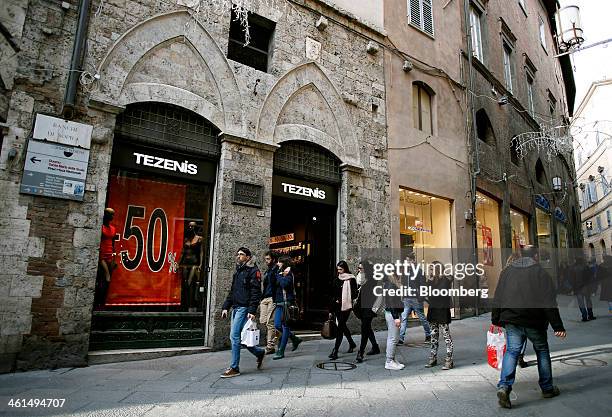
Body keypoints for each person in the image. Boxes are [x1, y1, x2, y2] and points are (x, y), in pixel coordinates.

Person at [492, 245, 566, 409]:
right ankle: (547, 388)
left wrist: (496, 319)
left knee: (512, 351)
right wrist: (557, 326)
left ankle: (504, 386)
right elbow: (549, 302)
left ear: (519, 255)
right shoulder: (541, 273)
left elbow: (498, 296)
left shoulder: (507, 272)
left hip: (512, 319)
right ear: (536, 256)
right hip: (534, 321)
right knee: (542, 350)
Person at [220, 247, 265, 378]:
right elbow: (232, 291)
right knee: (242, 338)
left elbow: (256, 292)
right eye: (238, 254)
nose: (238, 256)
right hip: (236, 307)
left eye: (241, 254)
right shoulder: (238, 271)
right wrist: (225, 307)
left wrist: (252, 310)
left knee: (234, 337)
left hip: (244, 308)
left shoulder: (253, 271)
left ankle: (234, 368)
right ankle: (259, 353)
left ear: (248, 257)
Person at [424, 261, 454, 370]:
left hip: (442, 310)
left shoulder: (445, 280)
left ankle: (449, 359)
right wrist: (429, 283)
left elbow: (439, 293)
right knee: (433, 336)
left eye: (432, 269)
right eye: (430, 269)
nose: (430, 271)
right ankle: (433, 357)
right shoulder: (431, 281)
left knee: (446, 336)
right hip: (433, 310)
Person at [271, 256, 302, 360]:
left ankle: (281, 351)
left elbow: (284, 284)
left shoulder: (289, 274)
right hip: (279, 303)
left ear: (284, 263)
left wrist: (280, 276)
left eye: (279, 262)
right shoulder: (279, 272)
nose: (277, 264)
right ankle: (294, 338)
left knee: (285, 327)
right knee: (277, 325)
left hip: (287, 303)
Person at [398, 252, 431, 344]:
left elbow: (423, 285)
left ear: (413, 261)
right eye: (406, 261)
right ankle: (401, 338)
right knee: (404, 318)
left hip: (416, 298)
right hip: (406, 299)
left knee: (422, 317)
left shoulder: (419, 271)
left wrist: (421, 297)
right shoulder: (405, 272)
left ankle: (428, 335)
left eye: (409, 261)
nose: (407, 263)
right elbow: (403, 284)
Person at [328, 260, 358, 360]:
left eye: (341, 269)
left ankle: (335, 350)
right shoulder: (336, 279)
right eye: (338, 269)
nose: (339, 271)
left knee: (340, 327)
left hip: (346, 307)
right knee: (343, 326)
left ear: (345, 268)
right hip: (337, 307)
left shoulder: (351, 279)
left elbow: (355, 294)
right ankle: (352, 343)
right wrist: (331, 308)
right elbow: (332, 293)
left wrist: (343, 298)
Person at [353, 261, 381, 363]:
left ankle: (360, 352)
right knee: (367, 327)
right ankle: (375, 346)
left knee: (364, 329)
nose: (359, 270)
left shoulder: (372, 279)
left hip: (369, 307)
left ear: (366, 269)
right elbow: (358, 285)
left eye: (361, 268)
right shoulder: (360, 277)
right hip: (360, 307)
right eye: (358, 268)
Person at [178, 221, 203, 311]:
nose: (191, 228)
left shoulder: (199, 239)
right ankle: (185, 305)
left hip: (194, 264)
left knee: (190, 283)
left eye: (193, 226)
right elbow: (182, 252)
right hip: (185, 264)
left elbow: (201, 252)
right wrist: (178, 263)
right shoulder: (186, 239)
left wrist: (201, 264)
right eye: (189, 226)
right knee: (184, 284)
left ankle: (192, 305)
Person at [95, 208, 117, 308]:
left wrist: (114, 256)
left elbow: (113, 243)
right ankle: (98, 302)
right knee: (103, 278)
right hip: (102, 255)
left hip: (110, 255)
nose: (112, 217)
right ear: (105, 215)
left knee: (107, 281)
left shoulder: (112, 228)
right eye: (110, 214)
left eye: (113, 215)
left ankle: (102, 302)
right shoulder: (101, 227)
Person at [383, 273, 405, 370]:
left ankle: (392, 359)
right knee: (393, 338)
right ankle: (389, 361)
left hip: (392, 313)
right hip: (392, 314)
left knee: (394, 338)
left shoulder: (389, 284)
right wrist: (396, 317)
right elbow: (391, 302)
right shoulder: (390, 285)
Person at [260, 251, 279, 354]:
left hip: (272, 298)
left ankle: (270, 346)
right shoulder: (268, 270)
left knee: (269, 322)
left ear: (273, 259)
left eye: (268, 259)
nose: (266, 261)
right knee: (263, 321)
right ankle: (283, 335)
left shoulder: (276, 270)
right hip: (264, 298)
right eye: (265, 259)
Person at [571, 257, 596, 321]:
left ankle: (584, 316)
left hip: (578, 288)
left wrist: (573, 289)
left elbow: (572, 280)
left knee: (581, 303)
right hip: (586, 287)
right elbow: (590, 277)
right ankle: (590, 315)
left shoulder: (574, 269)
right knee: (588, 301)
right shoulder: (586, 267)